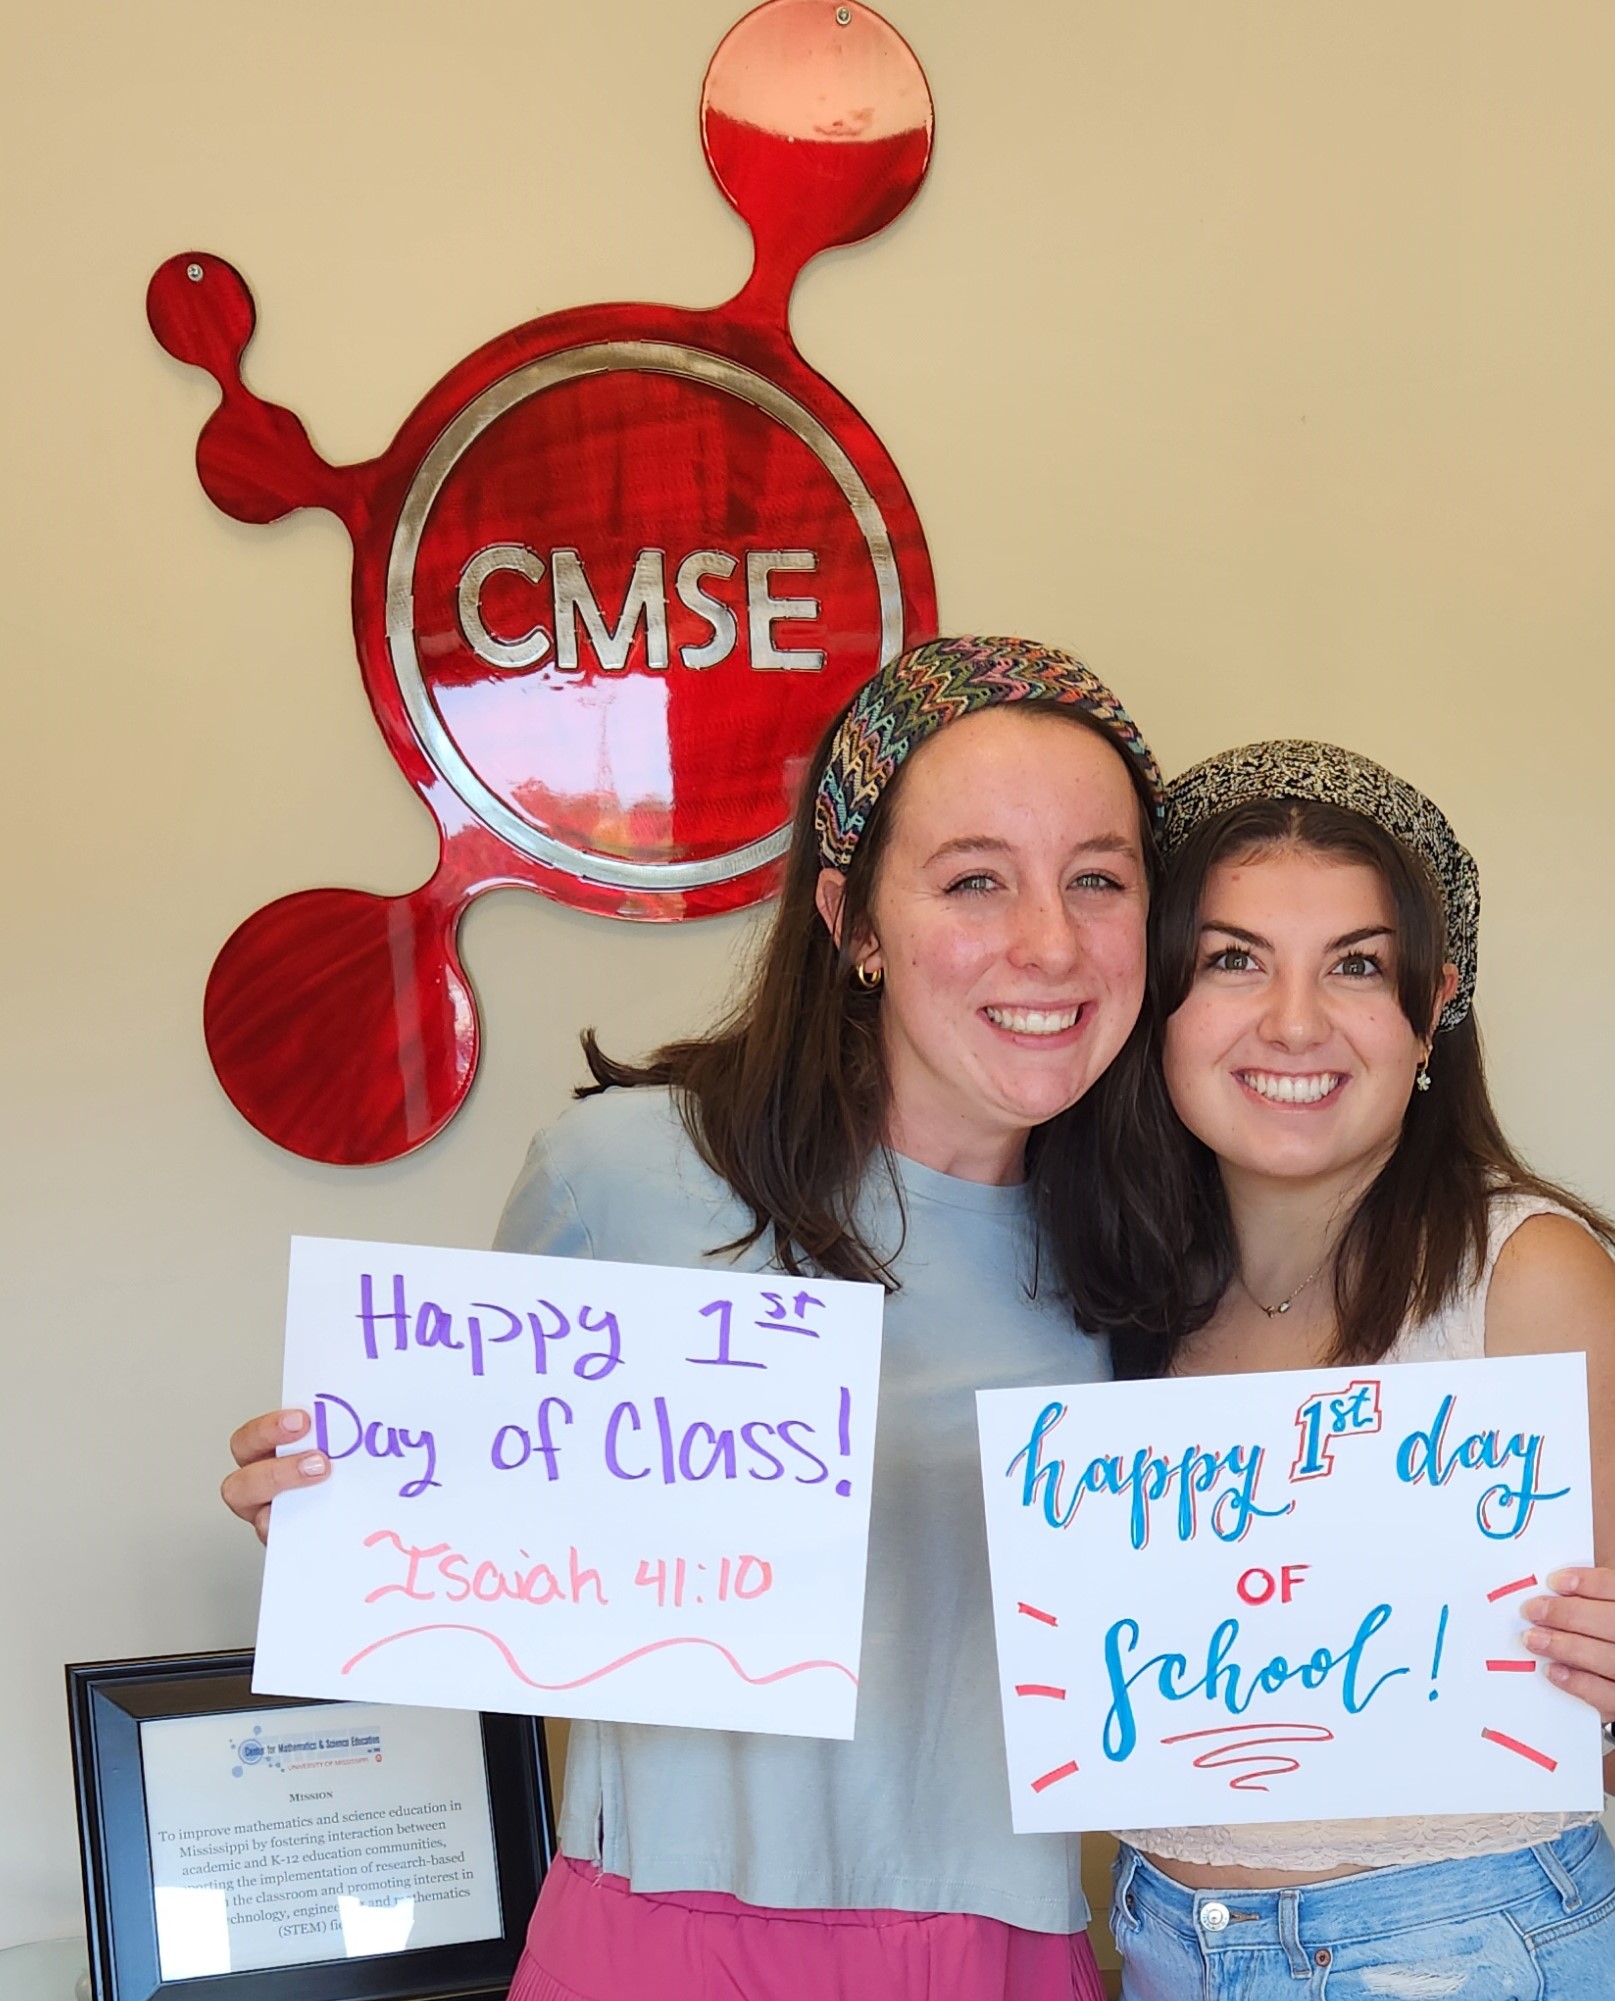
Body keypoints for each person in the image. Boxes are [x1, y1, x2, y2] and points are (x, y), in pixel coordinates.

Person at [222, 636, 1164, 2001]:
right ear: (851, 924)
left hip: (1005, 1948)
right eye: (974, 878)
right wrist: (340, 1505)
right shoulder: (625, 1177)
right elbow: (481, 1529)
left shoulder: (1159, 1255)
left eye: (1099, 879)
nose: (1049, 942)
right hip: (657, 1939)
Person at [1042, 741, 1615, 2000]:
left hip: (1471, 1953)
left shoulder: (1527, 1280)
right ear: (1158, 1000)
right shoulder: (1113, 1295)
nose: (1295, 1023)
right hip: (1161, 1946)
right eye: (1233, 961)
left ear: (1433, 1006)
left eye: (1357, 966)